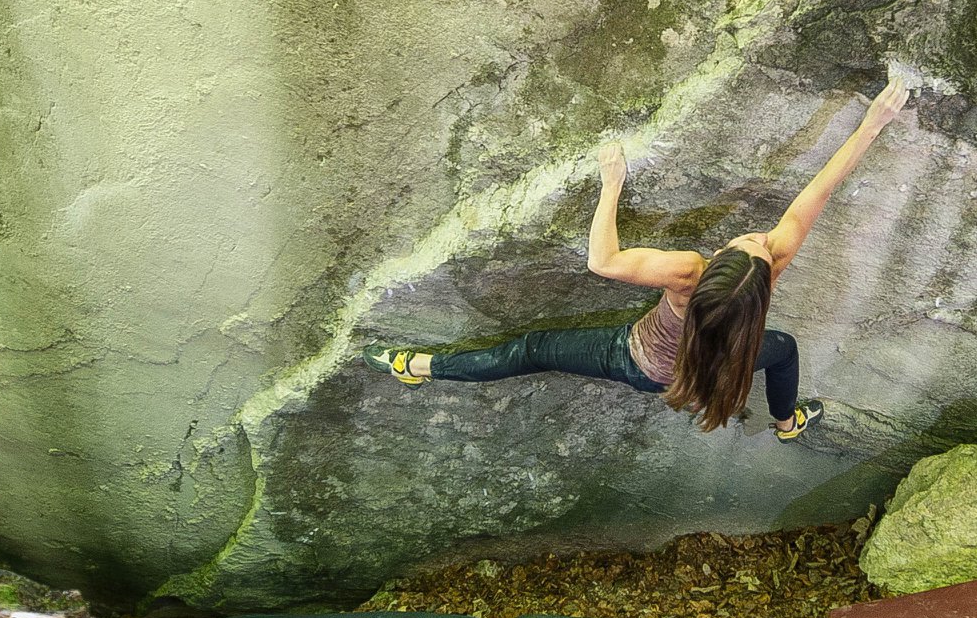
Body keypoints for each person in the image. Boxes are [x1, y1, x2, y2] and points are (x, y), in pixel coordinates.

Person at [365, 80, 910, 439]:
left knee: (531, 349)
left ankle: (417, 367)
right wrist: (872, 125)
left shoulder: (687, 275)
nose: (758, 237)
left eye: (751, 242)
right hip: (712, 374)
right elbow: (818, 191)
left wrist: (611, 185)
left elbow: (603, 261)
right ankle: (787, 422)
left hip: (639, 365)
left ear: (713, 266)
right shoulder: (770, 271)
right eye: (758, 243)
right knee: (784, 349)